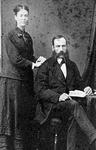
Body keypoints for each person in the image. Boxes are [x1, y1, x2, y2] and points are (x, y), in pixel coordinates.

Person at [34, 35, 96, 150]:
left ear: (67, 47)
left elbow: (80, 83)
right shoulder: (46, 65)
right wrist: (58, 96)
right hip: (51, 107)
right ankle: (93, 136)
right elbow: (40, 90)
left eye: (63, 46)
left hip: (66, 107)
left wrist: (86, 87)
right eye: (58, 46)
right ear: (53, 48)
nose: (61, 49)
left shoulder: (72, 65)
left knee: (73, 113)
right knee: (74, 105)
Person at [0, 4, 46, 150]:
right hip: (12, 83)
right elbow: (15, 59)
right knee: (9, 120)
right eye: (21, 15)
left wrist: (37, 60)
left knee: (21, 120)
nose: (24, 18)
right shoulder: (9, 36)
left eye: (26, 15)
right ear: (15, 17)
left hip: (25, 83)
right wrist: (33, 65)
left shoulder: (28, 37)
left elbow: (29, 57)